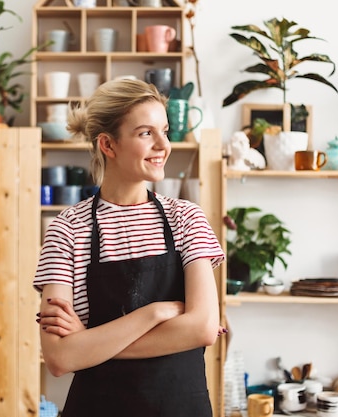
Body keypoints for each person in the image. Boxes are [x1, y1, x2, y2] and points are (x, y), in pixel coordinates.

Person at [33, 78, 226, 417]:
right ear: (108, 145)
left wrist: (91, 343)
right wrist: (156, 313)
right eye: (145, 133)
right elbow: (60, 358)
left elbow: (203, 327)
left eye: (164, 131)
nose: (163, 145)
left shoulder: (186, 219)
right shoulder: (68, 230)